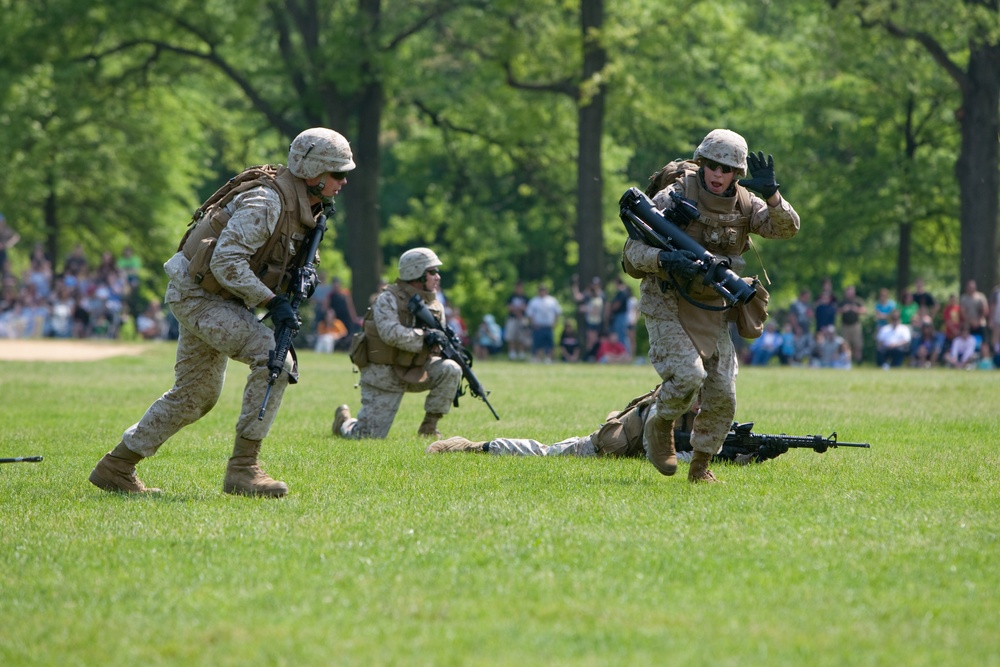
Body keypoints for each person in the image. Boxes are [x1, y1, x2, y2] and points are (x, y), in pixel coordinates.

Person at [88, 127, 356, 497]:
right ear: (315, 173)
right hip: (200, 296)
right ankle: (244, 470)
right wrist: (272, 302)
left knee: (196, 394)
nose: (343, 182)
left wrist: (302, 279)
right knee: (274, 361)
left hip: (219, 297)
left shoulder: (307, 205)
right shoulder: (267, 203)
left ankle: (116, 467)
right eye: (338, 174)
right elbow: (226, 261)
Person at [621, 128, 799, 482]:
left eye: (727, 169)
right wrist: (665, 260)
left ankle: (700, 467)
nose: (718, 175)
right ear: (701, 163)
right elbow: (630, 252)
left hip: (713, 304)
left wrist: (774, 195)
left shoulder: (746, 203)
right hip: (668, 299)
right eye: (713, 166)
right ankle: (660, 423)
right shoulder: (674, 196)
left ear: (738, 173)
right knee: (688, 376)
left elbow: (787, 229)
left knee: (723, 395)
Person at [333, 247, 462, 439]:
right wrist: (425, 337)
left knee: (451, 368)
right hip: (384, 373)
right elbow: (390, 333)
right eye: (432, 272)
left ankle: (429, 427)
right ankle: (344, 423)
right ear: (416, 273)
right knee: (368, 437)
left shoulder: (435, 306)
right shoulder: (387, 299)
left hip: (418, 369)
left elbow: (437, 345)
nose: (438, 277)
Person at [525, 283, 562, 364]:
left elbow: (557, 313)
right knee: (537, 343)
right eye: (541, 290)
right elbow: (530, 314)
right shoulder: (534, 301)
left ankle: (548, 358)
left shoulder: (552, 300)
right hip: (538, 326)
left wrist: (555, 323)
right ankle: (537, 358)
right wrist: (533, 324)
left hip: (548, 326)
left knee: (549, 343)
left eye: (544, 290)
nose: (542, 292)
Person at [837, 285, 866, 365]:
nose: (850, 294)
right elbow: (837, 311)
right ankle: (847, 363)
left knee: (858, 345)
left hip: (855, 325)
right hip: (845, 326)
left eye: (851, 292)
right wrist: (844, 309)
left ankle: (858, 362)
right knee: (845, 345)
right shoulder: (842, 302)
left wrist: (856, 309)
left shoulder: (857, 301)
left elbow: (864, 311)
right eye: (848, 292)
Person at [504, 281, 529, 360]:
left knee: (522, 337)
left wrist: (517, 308)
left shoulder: (525, 298)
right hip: (512, 319)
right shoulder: (511, 297)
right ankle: (512, 353)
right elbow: (508, 308)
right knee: (511, 336)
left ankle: (521, 353)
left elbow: (527, 308)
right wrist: (518, 309)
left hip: (522, 319)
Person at [0, 213, 20, 278]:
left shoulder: (6, 230)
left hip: (3, 253)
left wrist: (7, 244)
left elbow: (16, 237)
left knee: (6, 271)